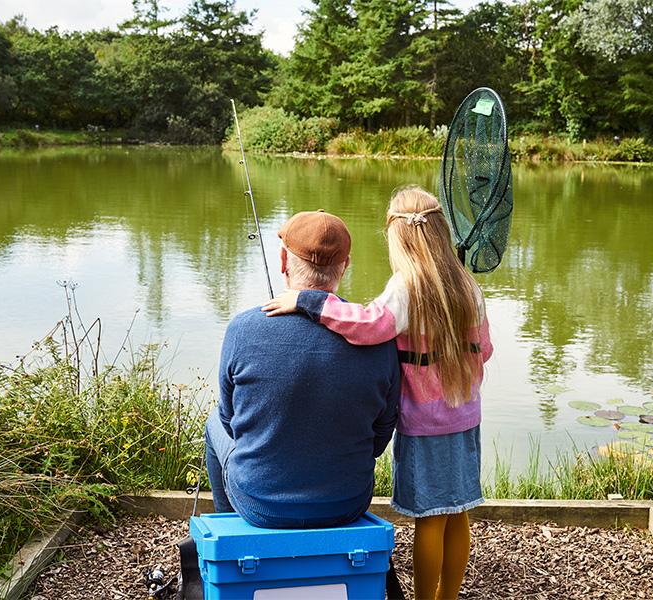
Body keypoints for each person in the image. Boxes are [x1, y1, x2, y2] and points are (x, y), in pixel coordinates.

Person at [263, 185, 493, 600]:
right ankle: (449, 596)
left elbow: (369, 325)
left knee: (429, 519)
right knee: (457, 512)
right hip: (465, 417)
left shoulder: (407, 287)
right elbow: (486, 350)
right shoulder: (467, 286)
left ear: (398, 240)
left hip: (426, 424)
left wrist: (309, 302)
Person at [204, 210, 400, 529]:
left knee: (213, 422)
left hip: (259, 504)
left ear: (283, 262)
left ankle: (232, 533)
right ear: (345, 266)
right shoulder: (378, 337)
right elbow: (380, 439)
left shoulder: (242, 328)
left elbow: (229, 421)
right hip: (347, 502)